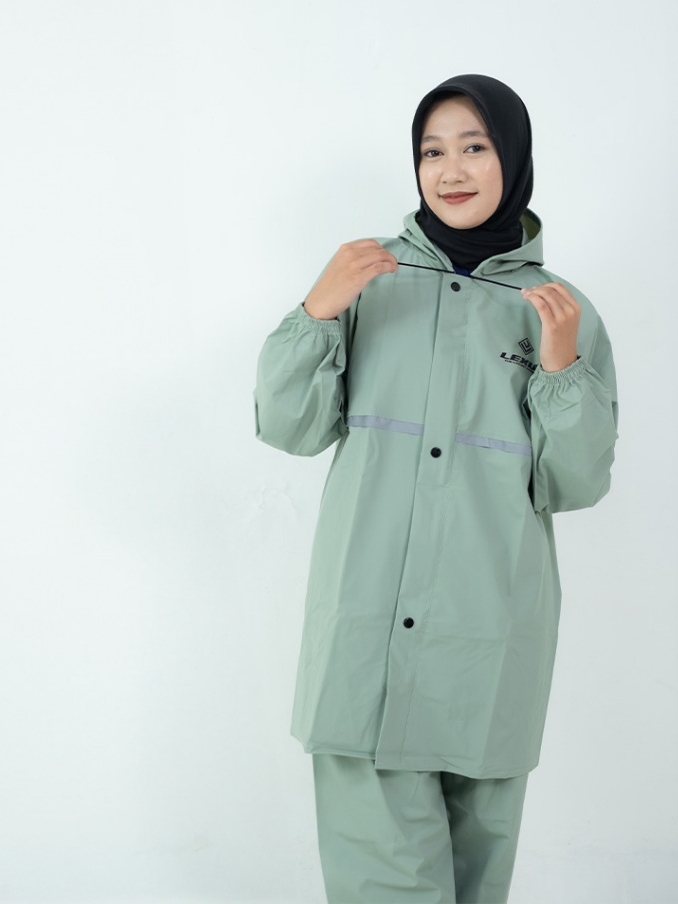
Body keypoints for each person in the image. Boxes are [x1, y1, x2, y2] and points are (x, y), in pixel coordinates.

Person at [253, 74, 618, 903]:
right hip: (368, 634)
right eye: (432, 151)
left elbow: (574, 481)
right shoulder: (367, 282)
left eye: (475, 147)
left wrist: (560, 367)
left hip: (490, 637)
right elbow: (288, 427)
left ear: (513, 158)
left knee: (476, 884)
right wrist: (318, 311)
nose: (450, 170)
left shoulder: (559, 309)